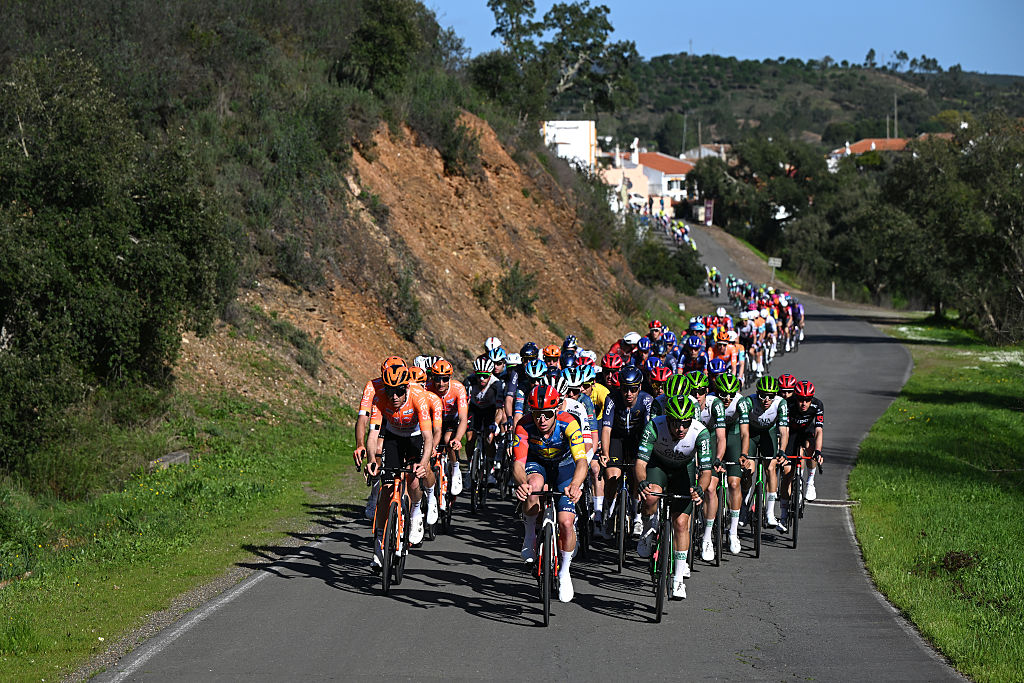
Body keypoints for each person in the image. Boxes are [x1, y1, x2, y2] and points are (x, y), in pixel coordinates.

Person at [512, 385, 589, 603]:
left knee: (566, 522)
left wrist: (575, 484)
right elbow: (518, 463)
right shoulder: (524, 425)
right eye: (537, 414)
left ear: (556, 411)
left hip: (565, 467)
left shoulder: (569, 423)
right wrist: (522, 483)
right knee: (533, 486)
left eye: (547, 414)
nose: (542, 420)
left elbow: (581, 462)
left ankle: (565, 571)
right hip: (538, 464)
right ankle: (529, 535)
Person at [634, 395, 706, 599]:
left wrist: (699, 488)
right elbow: (640, 463)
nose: (681, 429)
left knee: (682, 523)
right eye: (676, 423)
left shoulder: (700, 432)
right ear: (667, 419)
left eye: (685, 423)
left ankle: (678, 580)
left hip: (684, 470)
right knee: (650, 496)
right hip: (659, 466)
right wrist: (642, 482)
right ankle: (647, 530)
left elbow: (707, 471)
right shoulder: (654, 426)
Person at [365, 365, 435, 565]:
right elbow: (372, 434)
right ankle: (379, 540)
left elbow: (428, 438)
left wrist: (423, 463)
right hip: (393, 438)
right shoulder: (379, 398)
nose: (394, 396)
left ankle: (414, 512)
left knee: (413, 482)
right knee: (386, 489)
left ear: (406, 388)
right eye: (390, 390)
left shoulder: (418, 397)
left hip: (415, 438)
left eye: (398, 391)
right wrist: (371, 459)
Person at [600, 365, 655, 536]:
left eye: (633, 389)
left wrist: (646, 455)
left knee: (637, 476)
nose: (628, 394)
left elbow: (648, 430)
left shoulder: (647, 400)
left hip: (638, 438)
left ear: (639, 387)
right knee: (612, 476)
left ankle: (637, 517)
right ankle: (608, 511)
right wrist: (605, 453)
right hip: (617, 437)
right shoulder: (612, 399)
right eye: (625, 389)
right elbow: (607, 429)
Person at [354, 356, 407, 519]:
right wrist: (360, 444)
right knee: (376, 451)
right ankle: (375, 495)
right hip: (382, 417)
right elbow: (363, 417)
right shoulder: (373, 386)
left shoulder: (408, 385)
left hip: (401, 418)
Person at [684, 371, 726, 562]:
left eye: (701, 391)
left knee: (709, 488)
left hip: (709, 441)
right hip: (690, 443)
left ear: (707, 391)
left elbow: (721, 437)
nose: (697, 394)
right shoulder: (685, 406)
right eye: (693, 391)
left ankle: (707, 536)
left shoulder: (715, 404)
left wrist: (716, 459)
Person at [745, 376, 789, 530]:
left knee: (771, 468)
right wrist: (744, 453)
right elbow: (743, 431)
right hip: (751, 434)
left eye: (771, 396)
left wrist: (782, 450)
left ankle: (770, 512)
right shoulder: (749, 401)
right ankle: (744, 506)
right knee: (748, 469)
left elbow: (784, 430)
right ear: (757, 393)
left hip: (768, 433)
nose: (766, 399)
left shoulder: (780, 403)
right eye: (763, 395)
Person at [712, 372, 750, 554]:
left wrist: (744, 453)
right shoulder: (710, 400)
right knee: (710, 483)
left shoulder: (740, 402)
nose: (727, 399)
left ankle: (733, 531)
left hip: (733, 435)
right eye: (722, 394)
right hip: (713, 435)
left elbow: (744, 433)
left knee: (734, 483)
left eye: (731, 394)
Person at [781, 380, 824, 516]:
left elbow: (818, 431)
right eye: (800, 399)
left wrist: (818, 452)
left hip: (807, 431)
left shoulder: (817, 405)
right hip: (791, 433)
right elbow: (784, 430)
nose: (804, 403)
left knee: (810, 448)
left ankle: (810, 481)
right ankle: (783, 514)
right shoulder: (788, 404)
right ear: (795, 397)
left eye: (807, 400)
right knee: (787, 473)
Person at [427, 359, 468, 498]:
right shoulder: (427, 388)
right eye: (437, 379)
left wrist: (457, 438)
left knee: (448, 441)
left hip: (452, 420)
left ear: (449, 378)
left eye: (445, 379)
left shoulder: (458, 388)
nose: (441, 383)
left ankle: (455, 468)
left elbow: (463, 418)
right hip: (434, 422)